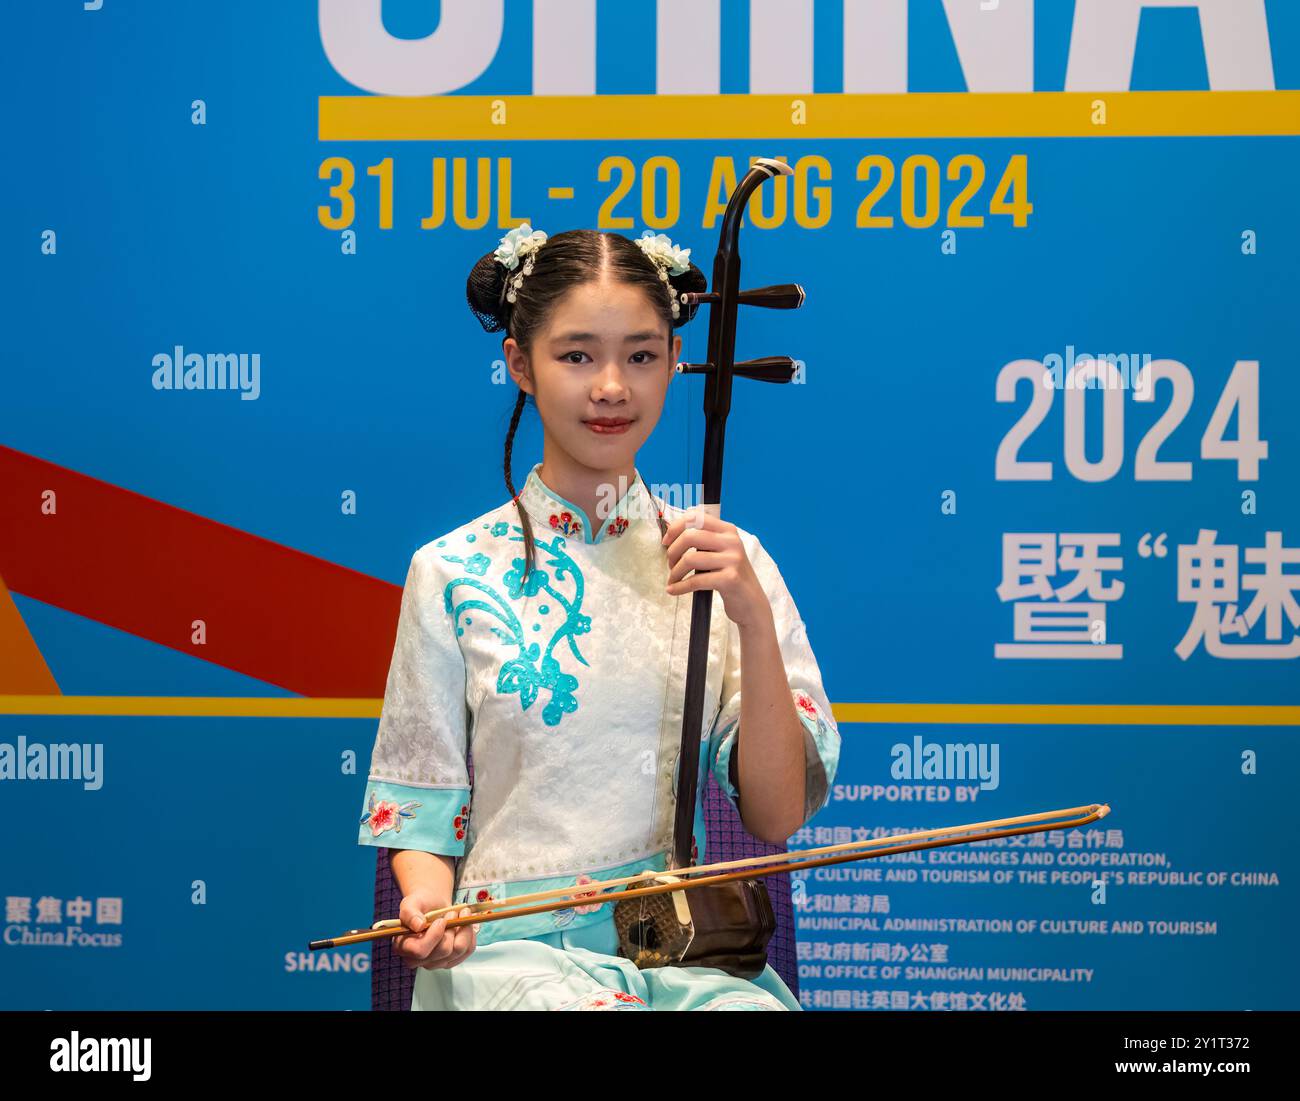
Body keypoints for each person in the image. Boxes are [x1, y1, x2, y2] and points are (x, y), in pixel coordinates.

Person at [356, 224, 840, 1010]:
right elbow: (420, 810)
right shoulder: (450, 570)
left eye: (642, 356)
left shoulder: (728, 563)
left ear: (675, 363)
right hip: (507, 955)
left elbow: (777, 815)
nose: (612, 386)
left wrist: (751, 616)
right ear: (520, 363)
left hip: (679, 947)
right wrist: (424, 902)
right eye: (577, 354)